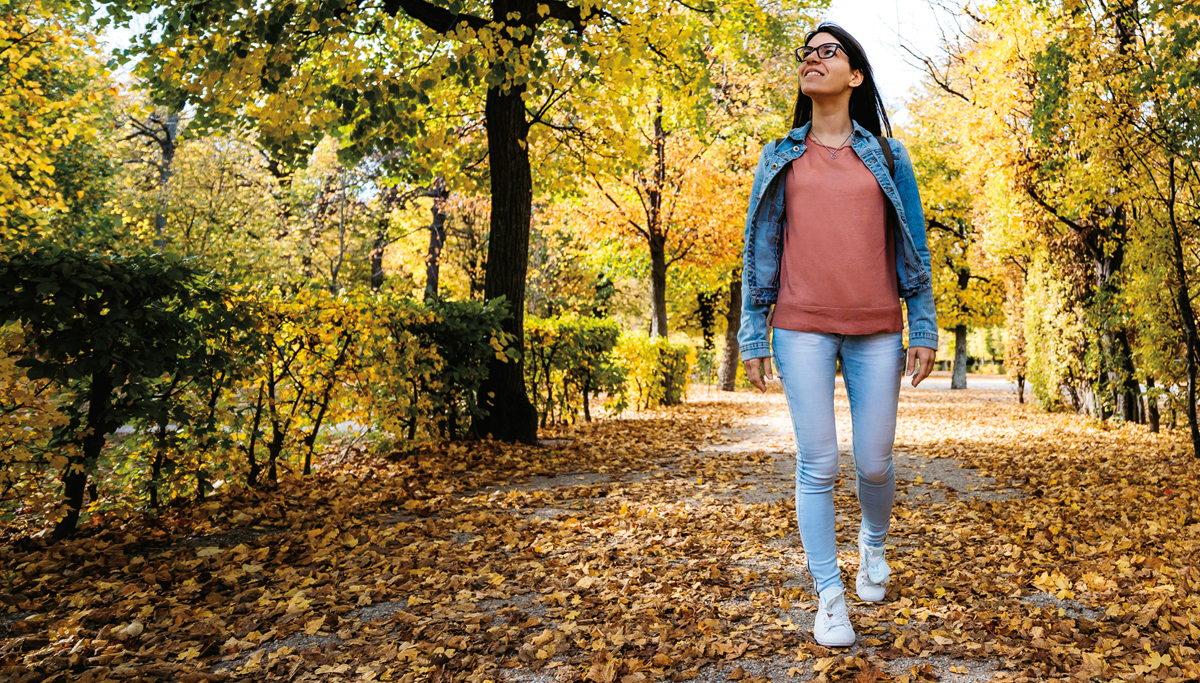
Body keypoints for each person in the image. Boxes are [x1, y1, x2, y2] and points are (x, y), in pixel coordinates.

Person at [736, 23, 938, 648]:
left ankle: (872, 546)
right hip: (800, 326)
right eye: (807, 53)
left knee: (874, 463)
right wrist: (754, 332)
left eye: (829, 52)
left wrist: (922, 323)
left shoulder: (890, 155)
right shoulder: (779, 155)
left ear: (854, 76)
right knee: (818, 463)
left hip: (877, 328)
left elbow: (915, 243)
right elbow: (758, 247)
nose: (812, 59)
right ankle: (828, 595)